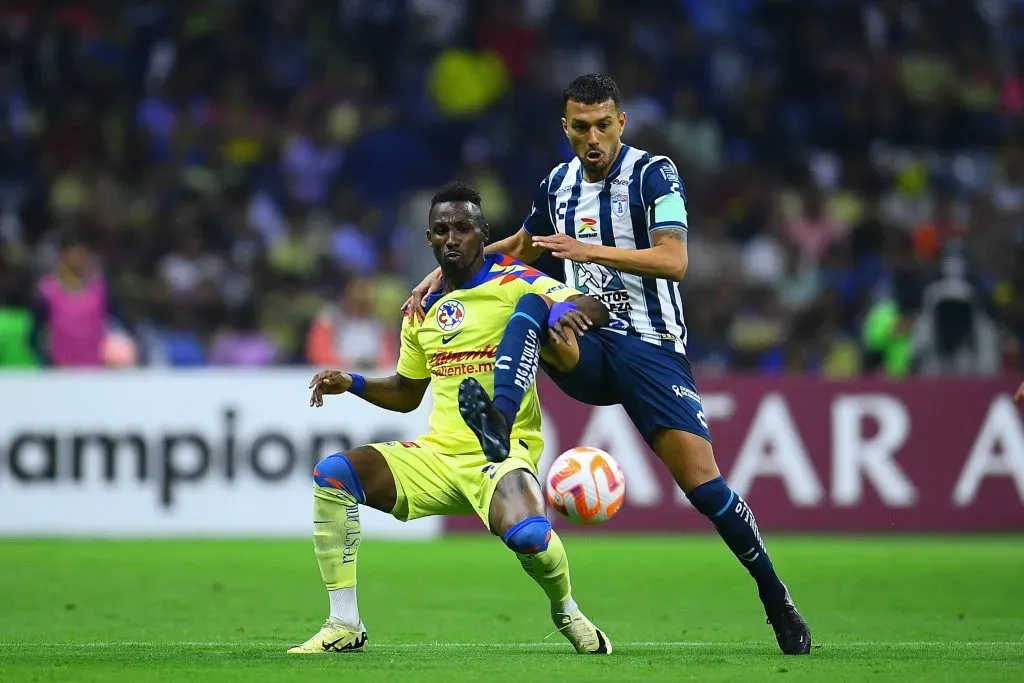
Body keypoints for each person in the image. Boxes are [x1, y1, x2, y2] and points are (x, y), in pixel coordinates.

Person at [407, 75, 812, 655]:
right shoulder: (557, 184)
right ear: (566, 128)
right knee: (529, 303)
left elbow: (675, 261)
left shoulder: (655, 174)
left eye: (603, 126)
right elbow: (521, 247)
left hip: (651, 348)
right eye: (581, 127)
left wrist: (588, 251)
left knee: (705, 487)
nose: (592, 138)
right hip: (587, 339)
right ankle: (498, 422)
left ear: (621, 122)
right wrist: (441, 272)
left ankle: (775, 596)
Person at [289, 182, 613, 654]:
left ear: (484, 234)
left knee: (529, 537)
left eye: (463, 228)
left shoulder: (515, 281)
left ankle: (567, 611)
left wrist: (562, 312)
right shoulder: (420, 308)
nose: (452, 238)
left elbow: (594, 305)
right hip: (439, 456)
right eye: (441, 230)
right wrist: (353, 383)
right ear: (429, 238)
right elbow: (406, 393)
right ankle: (344, 624)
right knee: (334, 474)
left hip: (501, 453)